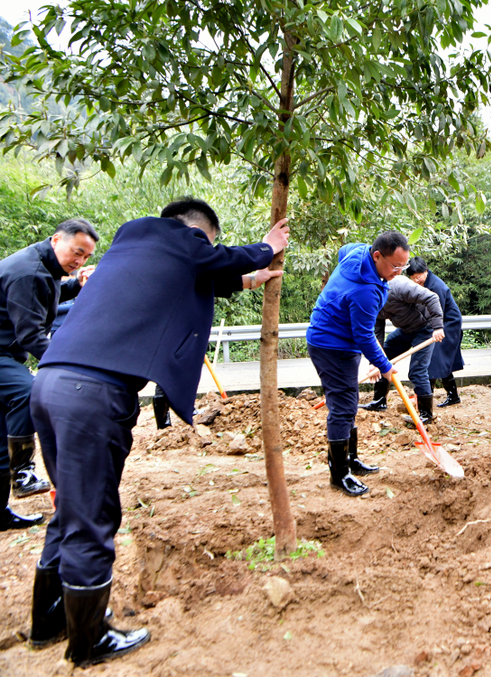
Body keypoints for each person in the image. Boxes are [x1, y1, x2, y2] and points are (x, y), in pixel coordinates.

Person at [29, 198, 287, 665]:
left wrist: (248, 278)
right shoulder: (183, 239)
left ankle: (48, 622)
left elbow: (197, 278)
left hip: (50, 385)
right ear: (198, 234)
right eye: (207, 244)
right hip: (94, 394)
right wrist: (264, 249)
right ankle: (87, 643)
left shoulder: (134, 246)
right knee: (91, 517)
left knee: (69, 506)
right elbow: (212, 259)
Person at [0, 219, 97, 532]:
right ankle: (24, 472)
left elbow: (47, 294)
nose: (79, 261)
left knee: (3, 434)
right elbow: (31, 336)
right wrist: (66, 365)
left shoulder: (44, 267)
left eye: (85, 258)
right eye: (77, 252)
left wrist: (76, 284)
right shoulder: (28, 271)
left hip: (7, 354)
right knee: (28, 392)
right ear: (57, 239)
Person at [306, 232, 410, 497]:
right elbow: (364, 336)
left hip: (342, 342)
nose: (399, 272)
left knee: (349, 402)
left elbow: (343, 250)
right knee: (342, 407)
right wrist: (384, 366)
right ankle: (339, 474)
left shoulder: (357, 252)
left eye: (403, 267)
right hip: (331, 345)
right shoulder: (364, 292)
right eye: (395, 267)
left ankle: (350, 460)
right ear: (377, 256)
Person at [358, 269, 445, 425]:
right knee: (383, 358)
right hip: (405, 331)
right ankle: (379, 401)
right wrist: (375, 360)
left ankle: (426, 415)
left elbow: (432, 297)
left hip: (425, 329)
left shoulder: (399, 285)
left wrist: (438, 326)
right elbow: (377, 331)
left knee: (417, 371)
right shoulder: (370, 301)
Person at [407, 258, 465, 407]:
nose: (416, 280)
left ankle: (425, 397)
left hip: (448, 324)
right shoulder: (424, 283)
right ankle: (452, 396)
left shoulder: (436, 286)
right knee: (440, 361)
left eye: (419, 276)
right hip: (439, 323)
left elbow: (438, 312)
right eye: (412, 278)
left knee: (434, 359)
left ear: (426, 271)